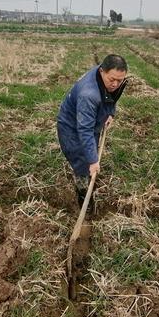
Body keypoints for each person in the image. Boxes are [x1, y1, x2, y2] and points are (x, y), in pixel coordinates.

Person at [57, 54, 128, 211]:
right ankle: (84, 198)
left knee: (90, 157)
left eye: (120, 80)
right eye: (112, 80)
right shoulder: (88, 95)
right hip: (72, 128)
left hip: (88, 121)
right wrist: (93, 160)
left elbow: (111, 97)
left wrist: (110, 113)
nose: (116, 84)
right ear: (102, 71)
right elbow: (85, 130)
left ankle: (89, 176)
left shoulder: (108, 79)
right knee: (83, 163)